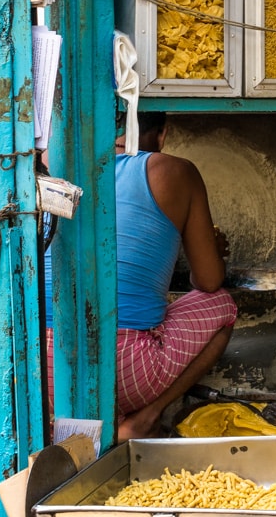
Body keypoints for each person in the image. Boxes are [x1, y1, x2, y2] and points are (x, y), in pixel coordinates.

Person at [45, 111, 238, 439]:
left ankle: (59, 422)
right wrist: (212, 250)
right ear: (162, 134)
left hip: (43, 369)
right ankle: (143, 420)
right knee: (223, 305)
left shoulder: (53, 162)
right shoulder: (177, 171)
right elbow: (207, 282)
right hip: (131, 370)